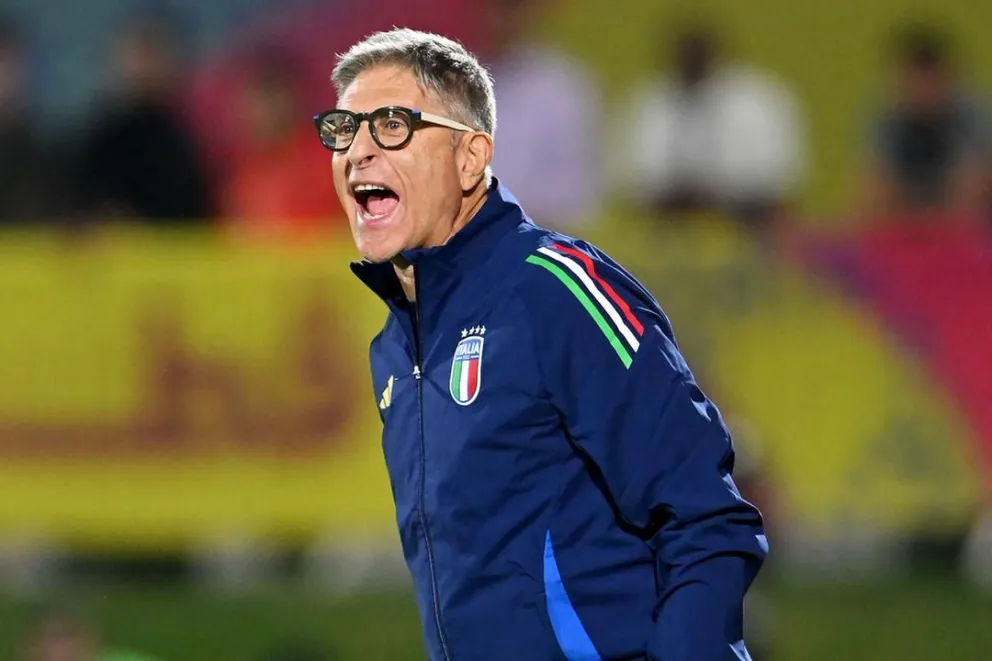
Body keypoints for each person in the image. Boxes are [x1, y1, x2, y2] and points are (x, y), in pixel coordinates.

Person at [316, 28, 767, 661]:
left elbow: (706, 516)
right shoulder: (394, 349)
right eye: (343, 129)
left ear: (471, 158)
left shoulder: (555, 291)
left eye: (391, 125)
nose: (358, 152)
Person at [616, 23, 804, 227]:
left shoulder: (759, 99)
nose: (692, 62)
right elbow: (633, 180)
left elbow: (781, 179)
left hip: (748, 226)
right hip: (667, 227)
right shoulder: (651, 100)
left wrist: (718, 193)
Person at [73, 10, 210, 223]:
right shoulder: (97, 140)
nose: (143, 67)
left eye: (152, 55)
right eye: (135, 55)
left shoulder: (189, 143)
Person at [860, 23, 991, 219]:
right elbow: (873, 191)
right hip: (909, 227)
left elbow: (973, 190)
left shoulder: (973, 115)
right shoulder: (888, 117)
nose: (921, 91)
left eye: (927, 81)